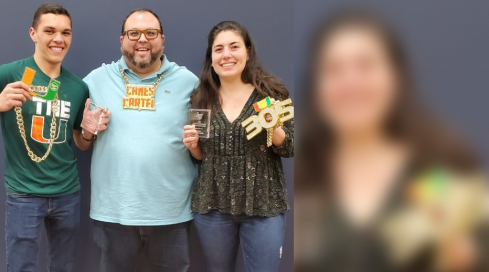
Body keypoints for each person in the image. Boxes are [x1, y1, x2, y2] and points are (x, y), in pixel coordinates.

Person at [294, 10, 488, 272]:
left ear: (396, 76)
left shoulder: (440, 165)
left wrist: (467, 258)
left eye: (365, 65)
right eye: (333, 69)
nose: (350, 82)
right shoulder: (300, 174)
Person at [0, 3, 108, 271]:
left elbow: (80, 143)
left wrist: (90, 132)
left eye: (66, 33)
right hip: (24, 194)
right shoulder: (9, 74)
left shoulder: (77, 86)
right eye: (50, 31)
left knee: (64, 266)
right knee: (21, 266)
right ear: (33, 33)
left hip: (67, 193)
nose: (59, 39)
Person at [83, 8, 198, 272]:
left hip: (172, 212)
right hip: (114, 211)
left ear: (162, 39)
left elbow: (202, 144)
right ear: (122, 39)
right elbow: (81, 141)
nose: (142, 39)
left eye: (151, 33)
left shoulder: (189, 82)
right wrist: (88, 131)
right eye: (134, 33)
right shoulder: (96, 80)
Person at [182, 21, 294, 272]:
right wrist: (193, 147)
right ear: (211, 58)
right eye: (219, 49)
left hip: (263, 205)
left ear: (248, 52)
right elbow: (202, 157)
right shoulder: (201, 97)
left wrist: (272, 127)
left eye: (234, 47)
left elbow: (290, 147)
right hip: (212, 207)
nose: (227, 55)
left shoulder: (271, 94)